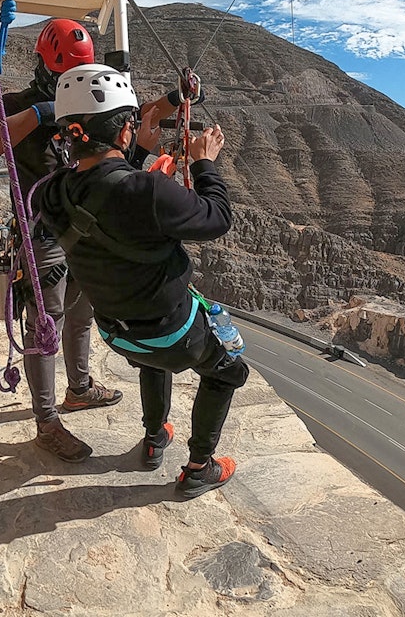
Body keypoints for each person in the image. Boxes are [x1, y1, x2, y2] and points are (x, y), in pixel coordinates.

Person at [32, 64, 249, 499]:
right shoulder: (150, 193)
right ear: (123, 131)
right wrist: (204, 163)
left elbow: (101, 191)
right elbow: (218, 218)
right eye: (131, 122)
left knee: (153, 361)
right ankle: (199, 468)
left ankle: (154, 439)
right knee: (229, 372)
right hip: (173, 332)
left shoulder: (50, 193)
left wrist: (147, 175)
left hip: (117, 331)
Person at [0, 19, 121, 463]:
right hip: (43, 232)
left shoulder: (88, 102)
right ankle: (47, 419)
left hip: (86, 227)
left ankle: (79, 387)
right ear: (43, 66)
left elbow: (126, 130)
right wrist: (41, 112)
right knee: (45, 321)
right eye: (62, 77)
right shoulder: (17, 104)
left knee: (81, 312)